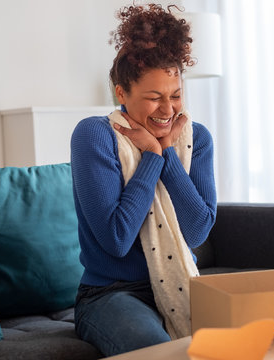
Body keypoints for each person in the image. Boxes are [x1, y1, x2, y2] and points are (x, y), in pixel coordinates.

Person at [70, 3, 217, 357]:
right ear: (121, 93)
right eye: (154, 98)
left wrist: (166, 152)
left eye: (176, 95)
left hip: (184, 284)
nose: (168, 110)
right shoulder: (94, 135)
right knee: (165, 352)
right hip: (110, 295)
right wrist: (150, 158)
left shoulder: (196, 139)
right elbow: (117, 239)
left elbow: (197, 231)